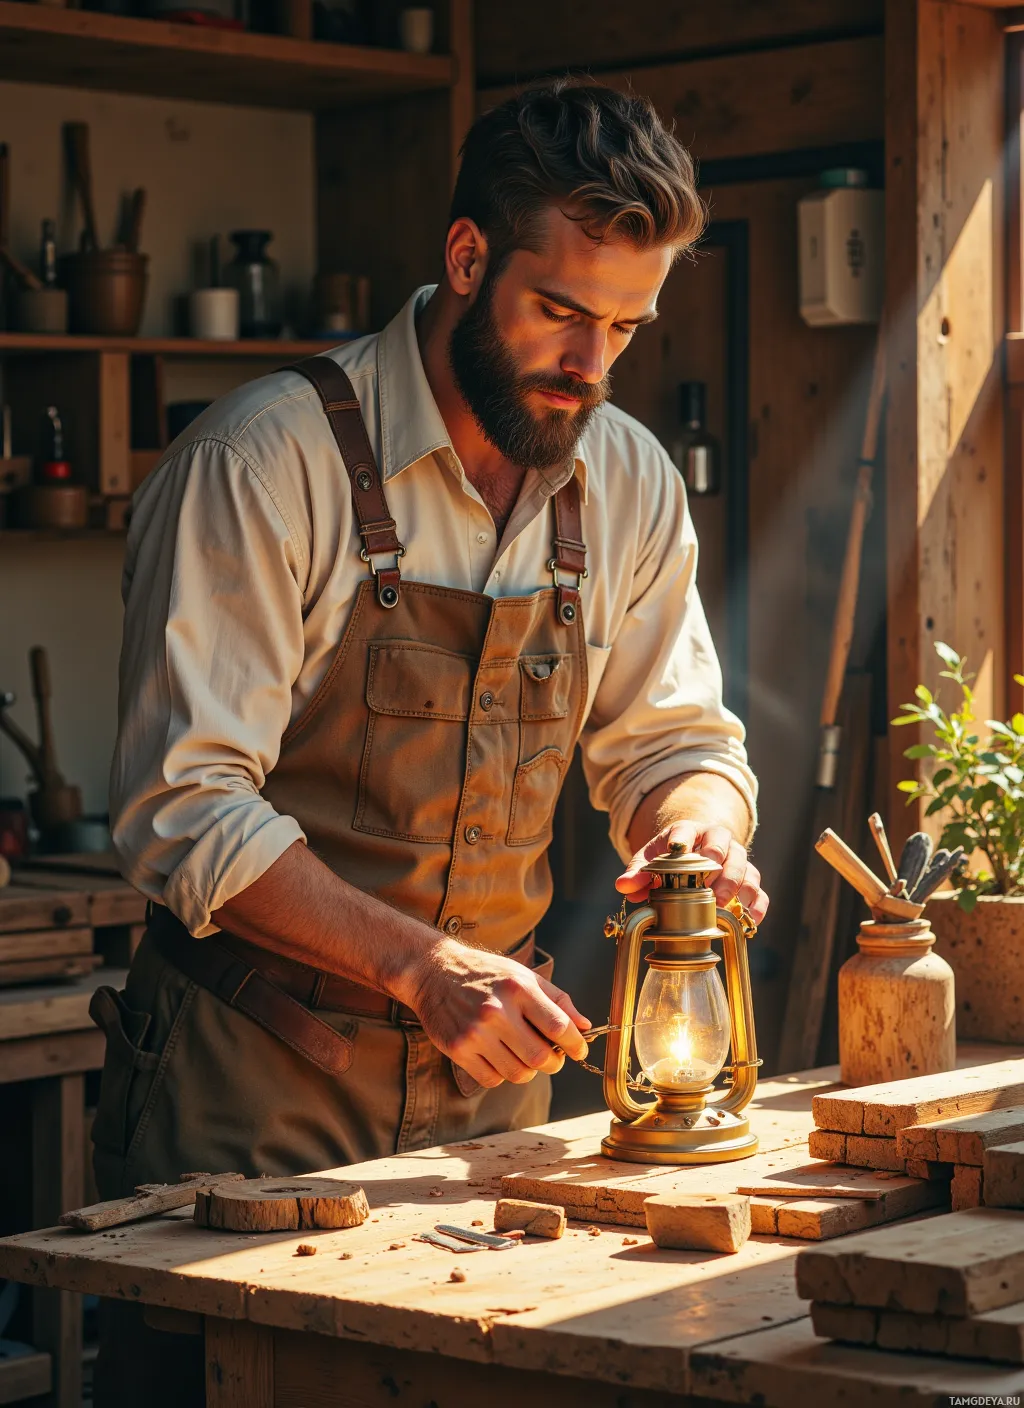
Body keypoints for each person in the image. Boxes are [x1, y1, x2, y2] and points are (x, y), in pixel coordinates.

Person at [91, 78, 767, 1403]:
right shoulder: (265, 460)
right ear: (467, 259)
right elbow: (183, 808)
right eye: (560, 313)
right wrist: (418, 963)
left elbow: (673, 735)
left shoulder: (624, 481)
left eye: (625, 328)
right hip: (252, 1091)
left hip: (488, 1113)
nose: (589, 366)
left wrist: (697, 826)